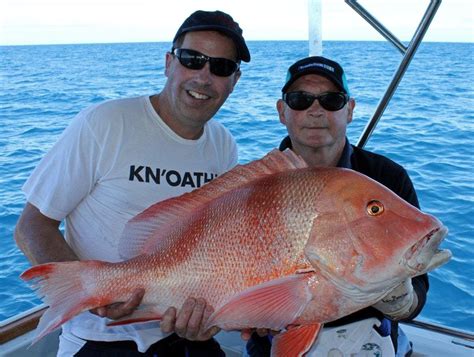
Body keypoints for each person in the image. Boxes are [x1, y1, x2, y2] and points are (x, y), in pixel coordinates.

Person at [14, 10, 250, 357]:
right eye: (192, 60)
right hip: (100, 341)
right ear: (169, 62)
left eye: (221, 67)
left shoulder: (223, 145)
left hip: (181, 336)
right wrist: (91, 295)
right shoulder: (106, 123)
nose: (204, 77)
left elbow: (221, 247)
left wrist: (211, 312)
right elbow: (32, 226)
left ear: (235, 80)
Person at [246, 56, 428, 356]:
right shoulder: (253, 188)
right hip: (275, 341)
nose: (315, 110)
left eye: (331, 100)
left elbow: (418, 293)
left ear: (350, 110)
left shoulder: (387, 179)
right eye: (299, 99)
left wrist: (402, 300)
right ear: (282, 111)